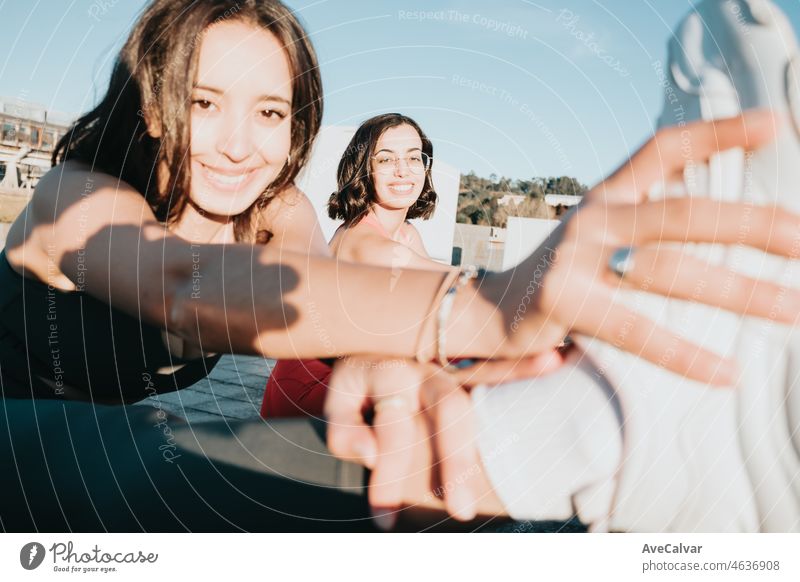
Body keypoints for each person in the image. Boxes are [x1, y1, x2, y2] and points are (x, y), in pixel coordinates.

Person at [0, 0, 796, 531]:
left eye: (270, 112)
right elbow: (184, 285)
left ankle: (596, 441)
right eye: (205, 103)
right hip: (20, 435)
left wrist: (406, 362)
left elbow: (323, 299)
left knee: (396, 456)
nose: (241, 145)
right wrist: (486, 305)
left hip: (113, 442)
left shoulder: (275, 213)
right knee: (137, 452)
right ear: (152, 107)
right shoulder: (76, 197)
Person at [261, 113, 455, 419]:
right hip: (311, 384)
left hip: (351, 374)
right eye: (386, 160)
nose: (404, 171)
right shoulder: (367, 243)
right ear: (365, 168)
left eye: (414, 158)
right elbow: (455, 286)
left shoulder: (405, 234)